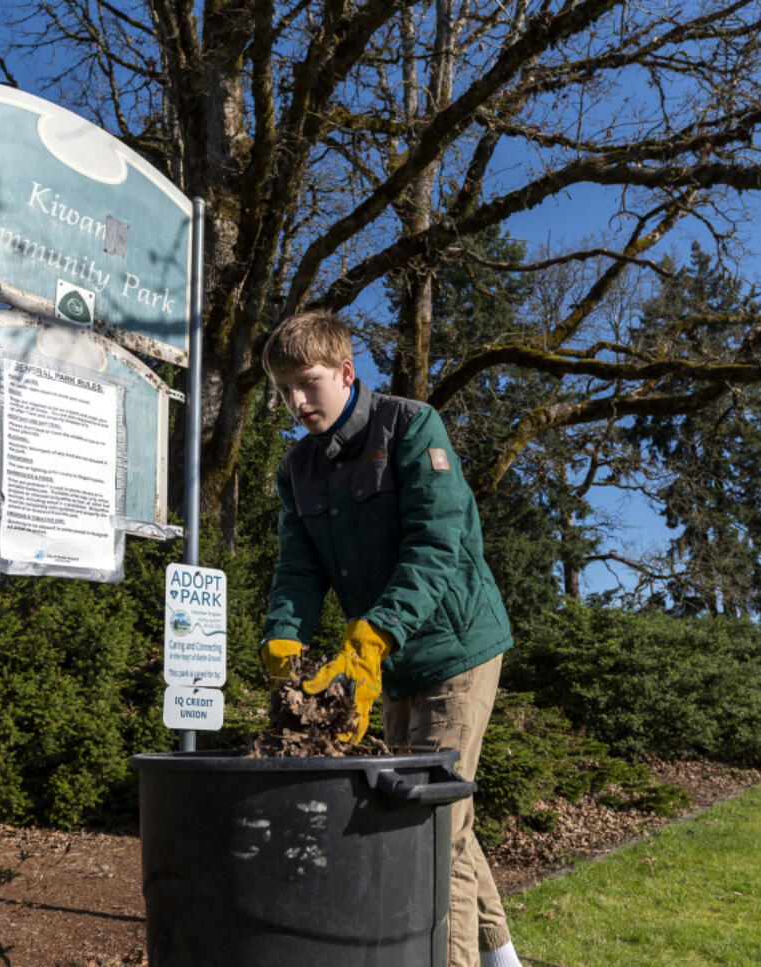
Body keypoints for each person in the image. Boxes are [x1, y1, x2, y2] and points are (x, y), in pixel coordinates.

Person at [258, 309, 522, 967]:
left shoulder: (410, 426)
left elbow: (437, 543)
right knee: (443, 818)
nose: (295, 401)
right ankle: (502, 959)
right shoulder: (300, 468)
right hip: (391, 660)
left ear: (346, 372)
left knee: (427, 825)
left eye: (307, 383)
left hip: (454, 647)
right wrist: (283, 641)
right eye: (283, 387)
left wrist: (373, 639)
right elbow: (298, 567)